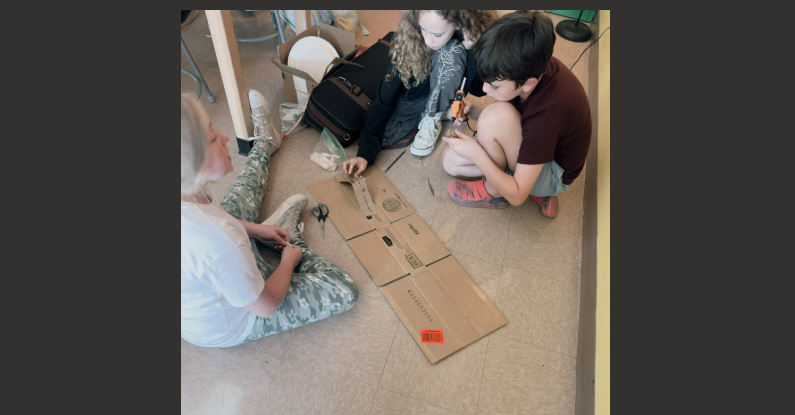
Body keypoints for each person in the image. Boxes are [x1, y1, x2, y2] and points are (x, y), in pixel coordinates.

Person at [181, 90, 358, 348]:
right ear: (190, 164)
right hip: (237, 319)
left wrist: (256, 231)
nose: (225, 136)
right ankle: (295, 241)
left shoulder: (188, 192)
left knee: (242, 194)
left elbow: (216, 221)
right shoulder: (218, 241)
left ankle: (264, 143)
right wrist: (289, 260)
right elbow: (266, 304)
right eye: (211, 138)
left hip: (221, 270)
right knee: (345, 289)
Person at [441, 11, 592, 218]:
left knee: (496, 117)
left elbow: (518, 196)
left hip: (554, 173)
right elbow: (517, 115)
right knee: (450, 161)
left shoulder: (547, 116)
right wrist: (472, 110)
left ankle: (495, 192)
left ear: (528, 83)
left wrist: (477, 153)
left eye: (494, 85)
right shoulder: (527, 65)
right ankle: (518, 179)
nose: (485, 89)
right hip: (538, 148)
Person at [343, 10, 497, 175]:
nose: (428, 39)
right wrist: (365, 153)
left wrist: (471, 48)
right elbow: (383, 99)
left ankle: (434, 116)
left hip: (444, 80)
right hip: (413, 99)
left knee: (452, 51)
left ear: (458, 23)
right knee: (386, 134)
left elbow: (478, 89)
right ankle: (441, 106)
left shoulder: (464, 39)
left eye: (437, 34)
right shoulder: (409, 41)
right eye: (423, 28)